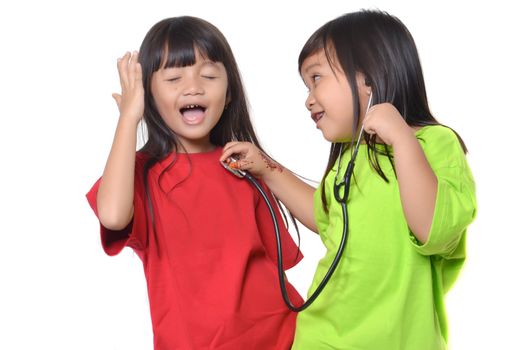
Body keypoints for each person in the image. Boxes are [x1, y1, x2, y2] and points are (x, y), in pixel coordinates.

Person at [220, 9, 477, 349]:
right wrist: (266, 167)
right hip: (324, 335)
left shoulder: (435, 144)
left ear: (369, 76)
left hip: (399, 340)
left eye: (316, 78)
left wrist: (402, 139)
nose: (308, 98)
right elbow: (324, 217)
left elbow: (432, 229)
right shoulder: (348, 157)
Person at [86, 16, 303, 350]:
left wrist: (267, 169)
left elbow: (275, 265)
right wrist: (129, 116)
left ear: (229, 93)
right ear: (149, 96)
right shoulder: (142, 174)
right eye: (174, 77)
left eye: (209, 75)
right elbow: (113, 215)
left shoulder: (242, 165)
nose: (193, 87)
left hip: (285, 338)